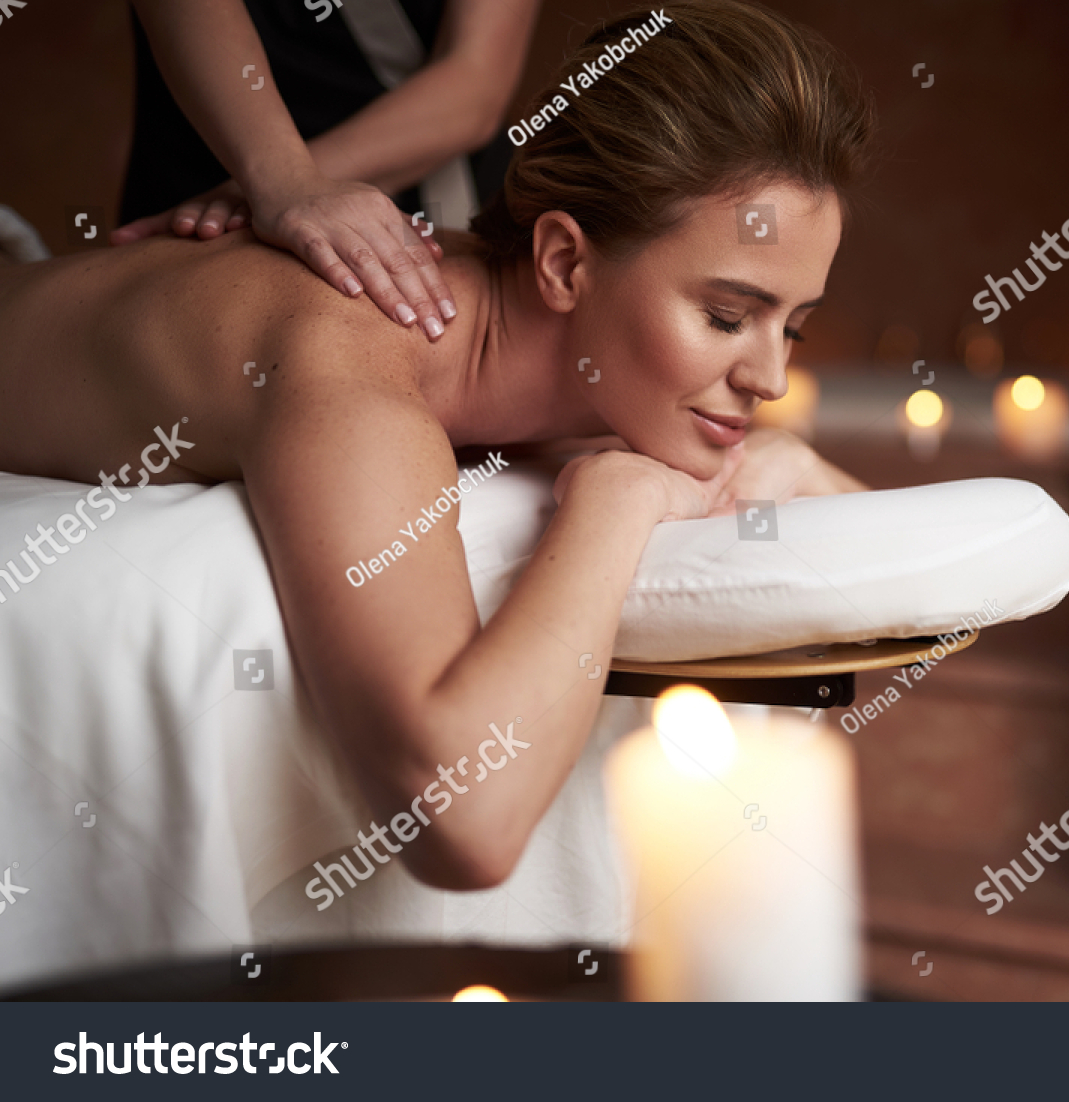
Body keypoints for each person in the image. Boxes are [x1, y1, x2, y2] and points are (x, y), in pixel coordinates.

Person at [0, 0, 874, 893]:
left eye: (793, 327)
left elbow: (891, 572)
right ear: (565, 264)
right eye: (727, 316)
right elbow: (462, 821)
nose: (768, 379)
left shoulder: (550, 346)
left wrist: (787, 464)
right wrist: (616, 507)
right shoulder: (357, 371)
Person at [112, 0, 540, 341]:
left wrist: (279, 188)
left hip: (415, 196)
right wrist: (277, 184)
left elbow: (474, 83)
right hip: (205, 190)